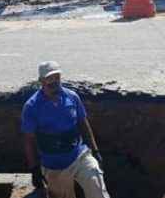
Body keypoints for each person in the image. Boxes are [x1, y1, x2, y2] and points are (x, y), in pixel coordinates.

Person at [21, 61, 110, 198]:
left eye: (56, 77)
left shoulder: (72, 97)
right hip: (54, 166)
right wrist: (34, 168)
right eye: (49, 78)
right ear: (41, 80)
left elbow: (83, 124)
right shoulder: (32, 106)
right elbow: (29, 140)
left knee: (97, 188)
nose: (54, 81)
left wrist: (95, 151)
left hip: (80, 156)